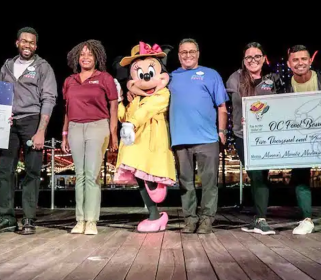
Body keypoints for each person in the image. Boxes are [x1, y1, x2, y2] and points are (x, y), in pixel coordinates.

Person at [0, 27, 57, 235]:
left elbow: (49, 99)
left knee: (32, 172)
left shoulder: (43, 67)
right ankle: (6, 218)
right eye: (24, 41)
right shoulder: (7, 66)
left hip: (32, 121)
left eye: (32, 43)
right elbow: (0, 94)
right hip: (9, 124)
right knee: (4, 171)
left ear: (36, 46)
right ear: (17, 43)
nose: (28, 45)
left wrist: (41, 131)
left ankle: (28, 218)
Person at [169, 38, 228, 234]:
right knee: (185, 183)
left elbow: (222, 107)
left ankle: (206, 220)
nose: (188, 55)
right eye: (183, 52)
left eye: (191, 51)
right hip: (180, 140)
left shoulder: (211, 75)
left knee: (210, 183)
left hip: (207, 138)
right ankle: (190, 219)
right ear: (178, 55)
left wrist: (222, 131)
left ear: (198, 53)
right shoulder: (170, 77)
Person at [116, 42, 176, 233]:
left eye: (150, 71)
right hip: (135, 144)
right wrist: (119, 101)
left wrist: (131, 123)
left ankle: (156, 207)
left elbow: (147, 111)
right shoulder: (135, 98)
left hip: (152, 143)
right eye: (139, 73)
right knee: (140, 177)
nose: (146, 77)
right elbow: (125, 117)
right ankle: (154, 215)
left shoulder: (163, 94)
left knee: (149, 174)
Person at [60, 40, 118, 235]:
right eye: (82, 54)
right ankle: (80, 220)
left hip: (97, 126)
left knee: (92, 175)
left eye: (90, 54)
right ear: (77, 58)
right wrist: (65, 134)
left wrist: (113, 134)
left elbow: (113, 106)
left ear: (97, 58)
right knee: (80, 176)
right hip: (75, 127)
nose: (85, 57)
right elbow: (67, 110)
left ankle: (91, 221)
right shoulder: (70, 81)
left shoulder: (105, 78)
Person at [226, 42, 284, 235]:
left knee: (260, 175)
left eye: (257, 56)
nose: (253, 60)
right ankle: (260, 219)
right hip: (242, 135)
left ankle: (260, 219)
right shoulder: (234, 78)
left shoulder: (273, 78)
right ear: (244, 60)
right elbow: (226, 106)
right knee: (255, 174)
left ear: (263, 58)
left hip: (266, 136)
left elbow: (284, 104)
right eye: (249, 57)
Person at [284, 44, 321, 237]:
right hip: (300, 138)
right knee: (300, 176)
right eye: (295, 60)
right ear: (289, 64)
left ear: (310, 61)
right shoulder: (284, 87)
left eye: (303, 59)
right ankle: (306, 220)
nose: (299, 63)